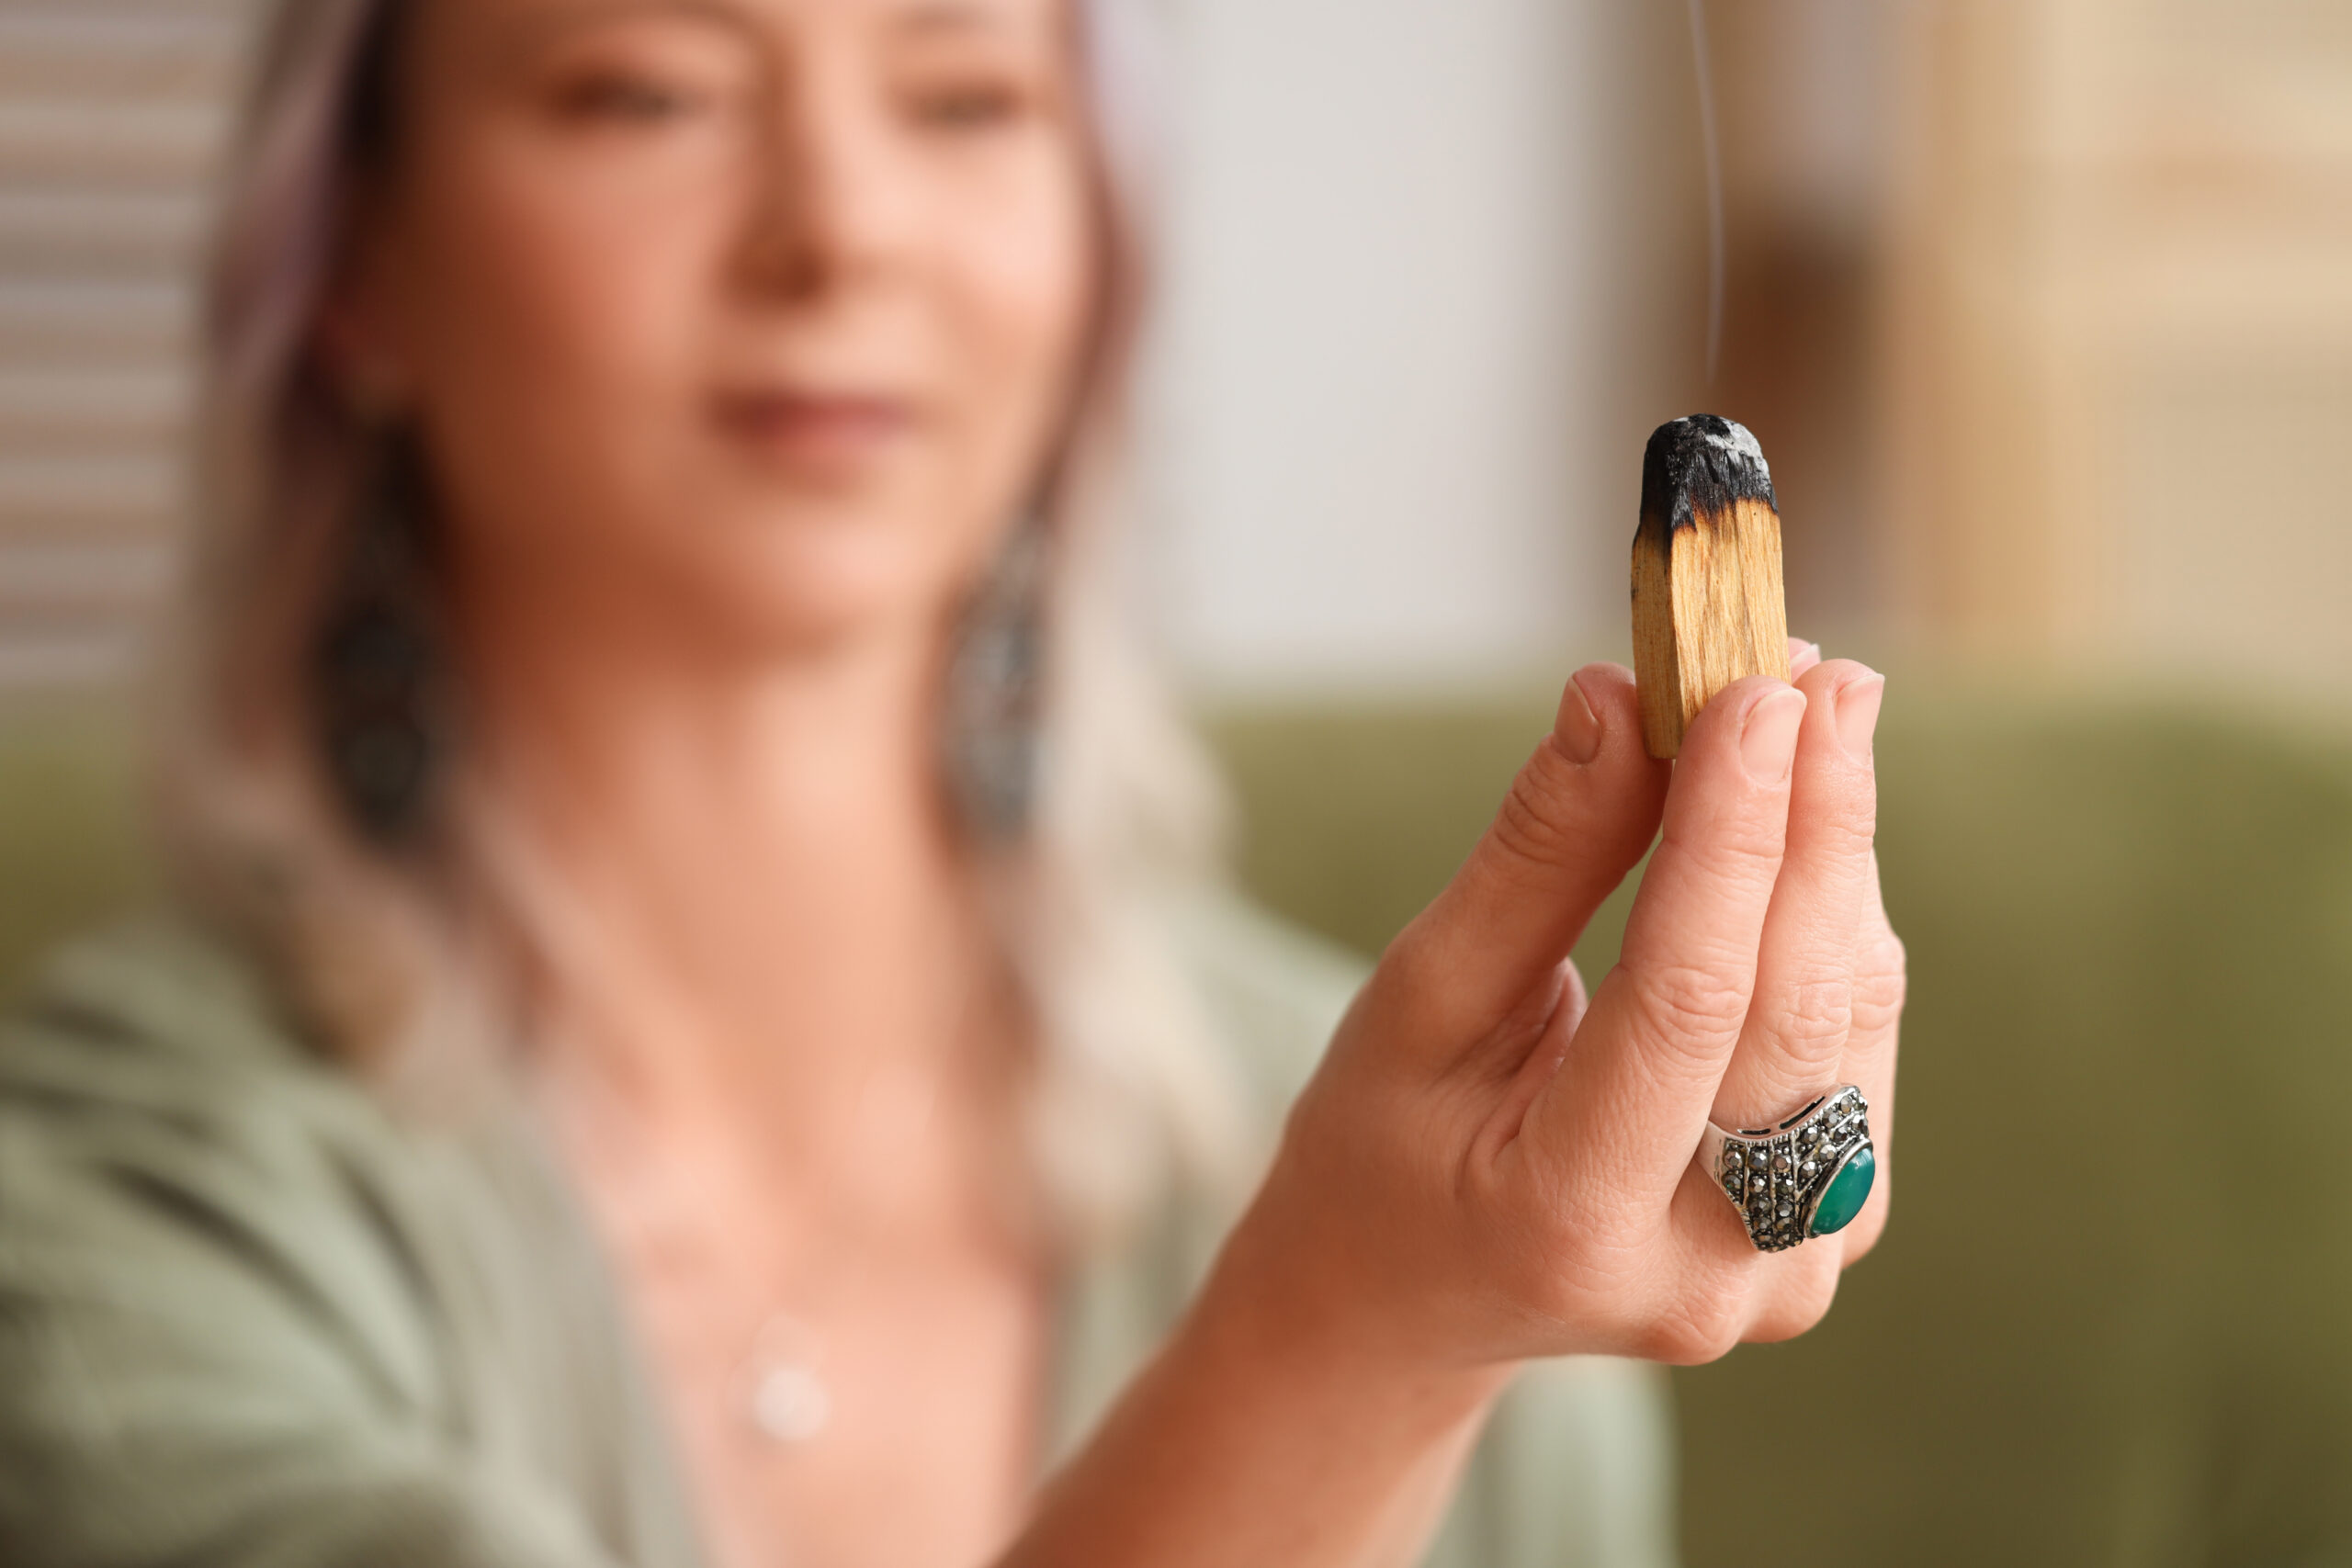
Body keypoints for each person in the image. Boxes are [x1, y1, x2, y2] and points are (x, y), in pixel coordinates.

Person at [0, 0, 1905, 1563]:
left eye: (963, 94)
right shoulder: (124, 1227)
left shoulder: (1455, 1159)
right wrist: (1347, 1343)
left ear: (1094, 245)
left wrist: (1482, 1288)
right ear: (358, 265)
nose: (840, 231)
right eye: (647, 90)